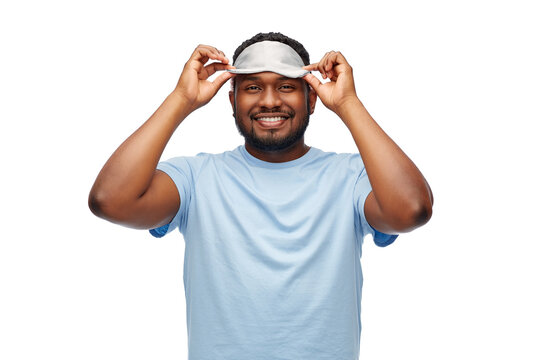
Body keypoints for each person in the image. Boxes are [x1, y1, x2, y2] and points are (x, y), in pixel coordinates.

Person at [89, 32, 433, 360]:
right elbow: (110, 201)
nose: (270, 101)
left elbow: (411, 209)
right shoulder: (196, 178)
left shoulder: (352, 176)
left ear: (312, 98)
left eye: (286, 87)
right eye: (253, 87)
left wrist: (348, 103)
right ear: (232, 99)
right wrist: (181, 100)